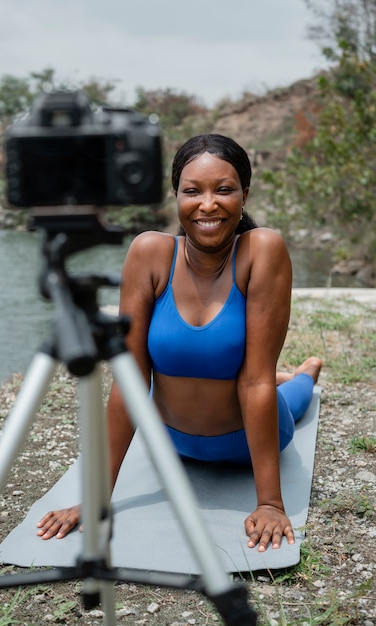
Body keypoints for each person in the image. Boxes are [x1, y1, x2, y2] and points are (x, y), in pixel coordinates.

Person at [37, 133, 322, 552]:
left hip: (246, 438)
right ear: (176, 196)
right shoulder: (150, 253)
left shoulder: (261, 249)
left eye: (224, 189)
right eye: (193, 191)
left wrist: (270, 503)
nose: (208, 204)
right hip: (171, 440)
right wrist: (97, 498)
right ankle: (292, 374)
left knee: (291, 396)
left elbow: (255, 381)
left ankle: (305, 374)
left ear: (244, 194)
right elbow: (129, 382)